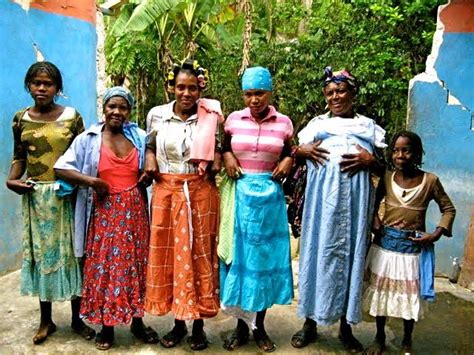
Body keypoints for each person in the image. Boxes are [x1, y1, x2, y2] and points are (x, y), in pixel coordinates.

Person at [54, 87, 158, 350]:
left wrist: (147, 172)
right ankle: (107, 326)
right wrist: (92, 182)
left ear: (129, 111)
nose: (117, 112)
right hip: (104, 211)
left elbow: (153, 157)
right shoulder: (88, 138)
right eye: (112, 106)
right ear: (104, 107)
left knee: (136, 266)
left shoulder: (139, 137)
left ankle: (137, 322)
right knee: (105, 268)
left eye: (123, 107)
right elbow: (61, 167)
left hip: (134, 211)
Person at [291, 67, 386, 352]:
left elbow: (387, 169)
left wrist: (371, 159)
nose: (335, 96)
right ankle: (310, 322)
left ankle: (346, 327)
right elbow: (292, 155)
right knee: (316, 254)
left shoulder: (369, 127)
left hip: (356, 205)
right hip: (321, 204)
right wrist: (301, 151)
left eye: (341, 91)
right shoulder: (315, 125)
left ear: (353, 94)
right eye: (330, 92)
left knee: (351, 259)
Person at [5, 61, 95, 344]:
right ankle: (46, 321)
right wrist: (12, 181)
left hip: (67, 195)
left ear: (58, 88)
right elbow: (19, 157)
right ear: (28, 86)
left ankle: (77, 319)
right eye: (36, 83)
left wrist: (82, 185)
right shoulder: (20, 119)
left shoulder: (71, 117)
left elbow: (82, 155)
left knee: (73, 254)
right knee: (43, 258)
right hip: (37, 198)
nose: (42, 88)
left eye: (48, 84)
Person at [144, 59, 222, 351]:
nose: (186, 93)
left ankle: (198, 325)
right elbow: (149, 144)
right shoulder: (157, 115)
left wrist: (217, 157)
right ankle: (178, 323)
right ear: (171, 88)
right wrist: (150, 158)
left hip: (200, 193)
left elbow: (220, 147)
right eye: (180, 87)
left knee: (200, 255)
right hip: (165, 193)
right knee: (170, 257)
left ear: (200, 89)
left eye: (192, 88)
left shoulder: (210, 115)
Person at [220, 66, 294, 353]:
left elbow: (290, 152)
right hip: (239, 196)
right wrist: (227, 156)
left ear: (270, 92)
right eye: (249, 93)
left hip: (270, 201)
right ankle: (240, 327)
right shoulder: (233, 120)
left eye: (260, 93)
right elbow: (224, 147)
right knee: (238, 259)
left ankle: (259, 327)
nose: (254, 99)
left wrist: (289, 161)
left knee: (262, 262)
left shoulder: (284, 122)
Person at [362, 131, 456, 354]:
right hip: (385, 246)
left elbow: (448, 209)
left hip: (412, 250)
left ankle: (406, 338)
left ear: (417, 153)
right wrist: (375, 218)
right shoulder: (387, 178)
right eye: (395, 150)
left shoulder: (430, 181)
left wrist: (434, 234)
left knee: (408, 296)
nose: (400, 155)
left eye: (406, 150)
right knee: (381, 293)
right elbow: (375, 202)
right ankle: (379, 337)